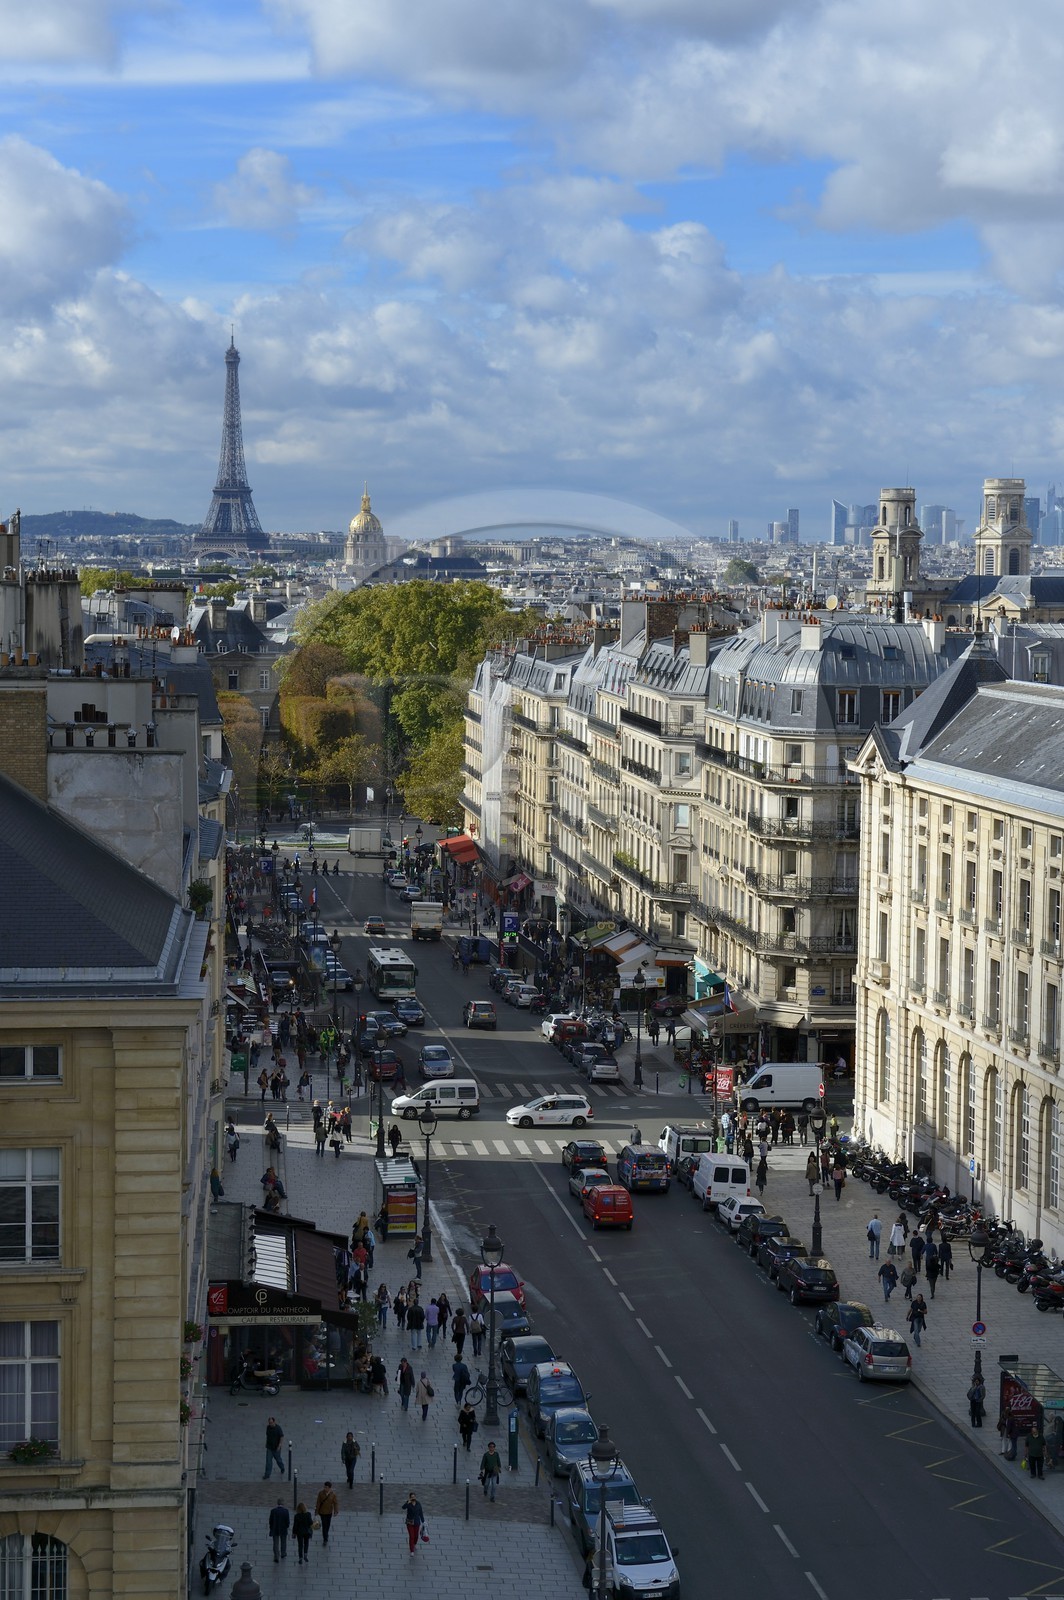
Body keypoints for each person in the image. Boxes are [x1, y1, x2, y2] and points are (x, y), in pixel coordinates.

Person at [268, 1498, 290, 1562]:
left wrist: (271, 1527)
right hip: (283, 1529)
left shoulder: (273, 1511)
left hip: (275, 1529)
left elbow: (270, 1521)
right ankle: (283, 1553)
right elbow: (287, 1521)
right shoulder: (286, 1511)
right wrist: (287, 1526)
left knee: (275, 1543)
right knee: (283, 1542)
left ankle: (276, 1556)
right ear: (283, 1503)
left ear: (277, 1503)